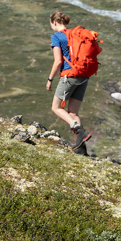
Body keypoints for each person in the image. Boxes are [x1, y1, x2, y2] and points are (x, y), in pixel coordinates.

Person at [46, 11, 93, 154]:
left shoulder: (57, 37)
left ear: (54, 22)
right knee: (73, 112)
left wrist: (50, 79)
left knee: (56, 107)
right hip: (83, 76)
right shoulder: (74, 34)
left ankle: (79, 131)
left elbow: (58, 61)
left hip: (69, 76)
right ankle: (81, 147)